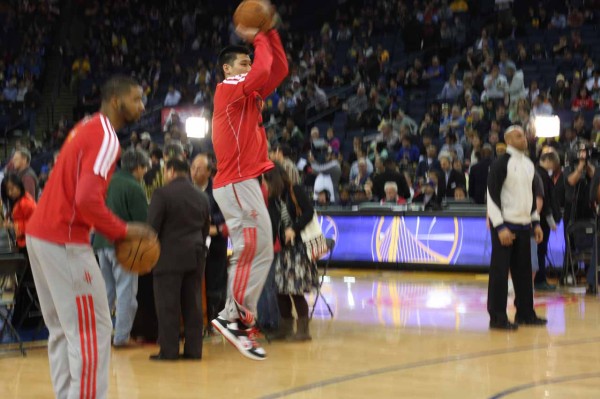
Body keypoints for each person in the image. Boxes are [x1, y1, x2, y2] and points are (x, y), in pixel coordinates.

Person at [25, 75, 155, 398]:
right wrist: (124, 230)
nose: (143, 106)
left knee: (62, 331)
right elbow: (85, 199)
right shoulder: (107, 137)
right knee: (93, 330)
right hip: (63, 239)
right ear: (116, 101)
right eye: (137, 99)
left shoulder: (84, 126)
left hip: (41, 234)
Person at [210, 10, 288, 360]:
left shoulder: (249, 95)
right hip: (237, 181)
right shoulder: (228, 88)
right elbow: (260, 70)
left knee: (264, 249)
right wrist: (258, 36)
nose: (248, 65)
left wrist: (270, 34)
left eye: (248, 61)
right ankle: (233, 316)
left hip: (244, 182)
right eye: (242, 62)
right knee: (251, 247)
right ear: (227, 68)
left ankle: (239, 317)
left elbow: (278, 70)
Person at [148, 158, 210, 360]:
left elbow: (151, 230)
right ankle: (194, 350)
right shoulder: (201, 197)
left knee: (168, 306)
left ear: (171, 171)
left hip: (168, 258)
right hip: (195, 256)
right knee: (193, 306)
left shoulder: (162, 194)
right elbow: (205, 230)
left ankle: (169, 351)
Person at [487, 125, 547, 330]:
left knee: (523, 273)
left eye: (524, 136)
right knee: (500, 274)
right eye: (519, 136)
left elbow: (530, 198)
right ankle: (497, 318)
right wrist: (500, 227)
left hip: (524, 225)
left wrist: (536, 222)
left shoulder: (529, 164)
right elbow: (491, 197)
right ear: (509, 140)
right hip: (505, 226)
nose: (524, 139)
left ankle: (525, 314)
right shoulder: (500, 164)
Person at [92, 149, 150, 347]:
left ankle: (100, 337)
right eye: (144, 169)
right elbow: (143, 223)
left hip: (101, 243)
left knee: (106, 293)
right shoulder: (134, 187)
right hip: (123, 246)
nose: (145, 173)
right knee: (126, 293)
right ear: (138, 167)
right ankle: (121, 338)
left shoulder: (107, 181)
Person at [264, 162, 317, 341]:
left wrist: (294, 229)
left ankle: (303, 331)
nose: (265, 185)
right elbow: (273, 223)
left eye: (267, 181)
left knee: (295, 289)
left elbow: (309, 212)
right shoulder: (273, 198)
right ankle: (285, 327)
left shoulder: (295, 190)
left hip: (298, 248)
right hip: (283, 249)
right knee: (280, 288)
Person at [190, 154, 229, 335]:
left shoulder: (219, 189)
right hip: (193, 243)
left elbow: (228, 215)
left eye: (198, 169)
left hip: (216, 244)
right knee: (195, 283)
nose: (194, 172)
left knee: (215, 282)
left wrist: (211, 221)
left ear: (208, 171)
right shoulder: (188, 189)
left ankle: (215, 321)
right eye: (192, 168)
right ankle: (199, 320)